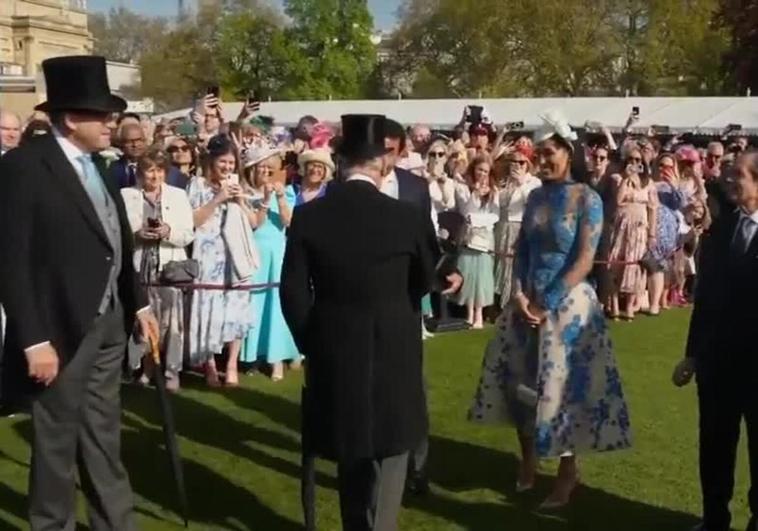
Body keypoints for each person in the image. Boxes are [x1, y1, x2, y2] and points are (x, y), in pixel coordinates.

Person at [0, 55, 158, 530]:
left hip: (109, 325)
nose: (114, 124)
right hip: (58, 331)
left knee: (103, 437)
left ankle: (115, 523)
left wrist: (140, 303)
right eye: (103, 115)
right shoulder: (25, 167)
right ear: (72, 118)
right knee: (55, 445)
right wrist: (32, 339)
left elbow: (116, 245)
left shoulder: (100, 167)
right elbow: (10, 259)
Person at [281, 114, 458, 531]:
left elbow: (292, 293)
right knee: (393, 447)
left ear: (340, 161)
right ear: (382, 162)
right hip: (394, 346)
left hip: (335, 349)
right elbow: (424, 280)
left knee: (351, 447)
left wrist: (314, 341)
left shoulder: (309, 216)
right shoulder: (406, 217)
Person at [469, 110, 631, 509]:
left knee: (563, 393)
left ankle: (566, 475)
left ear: (567, 151)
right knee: (519, 385)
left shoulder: (586, 198)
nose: (540, 160)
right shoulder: (537, 195)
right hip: (527, 301)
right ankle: (528, 462)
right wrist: (522, 294)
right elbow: (523, 247)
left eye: (547, 153)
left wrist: (547, 302)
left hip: (569, 307)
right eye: (536, 153)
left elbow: (583, 259)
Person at [673, 150, 758, 531]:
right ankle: (714, 519)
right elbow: (705, 299)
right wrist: (692, 355)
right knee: (714, 448)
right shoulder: (721, 230)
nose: (727, 178)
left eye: (737, 174)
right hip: (718, 364)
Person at [121, 147, 194, 392]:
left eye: (159, 171)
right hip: (139, 268)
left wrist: (168, 231)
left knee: (172, 324)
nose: (155, 176)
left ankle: (172, 372)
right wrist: (136, 234)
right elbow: (119, 234)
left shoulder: (178, 195)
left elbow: (187, 235)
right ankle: (146, 368)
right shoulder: (126, 195)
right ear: (141, 173)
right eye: (150, 171)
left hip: (169, 267)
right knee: (143, 323)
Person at [188, 135, 258, 388]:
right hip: (209, 254)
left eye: (231, 163)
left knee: (236, 310)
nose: (228, 167)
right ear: (212, 161)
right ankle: (209, 365)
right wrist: (217, 199)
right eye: (223, 162)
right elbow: (193, 222)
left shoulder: (241, 186)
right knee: (210, 310)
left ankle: (230, 366)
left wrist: (239, 200)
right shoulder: (197, 186)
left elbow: (253, 224)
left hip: (235, 257)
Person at [239, 147, 299, 382]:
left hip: (276, 253)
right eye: (261, 166)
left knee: (276, 305)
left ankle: (277, 360)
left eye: (270, 167)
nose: (266, 170)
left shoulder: (286, 192)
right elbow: (253, 225)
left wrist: (281, 197)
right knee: (252, 305)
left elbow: (289, 222)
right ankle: (253, 356)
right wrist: (263, 200)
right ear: (251, 169)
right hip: (253, 253)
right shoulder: (243, 194)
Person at [607, 146, 658, 321]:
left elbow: (653, 209)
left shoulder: (648, 182)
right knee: (616, 263)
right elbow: (618, 200)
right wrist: (626, 179)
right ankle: (613, 305)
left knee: (635, 266)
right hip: (622, 225)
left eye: (638, 160)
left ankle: (629, 307)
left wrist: (652, 233)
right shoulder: (617, 178)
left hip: (639, 227)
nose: (634, 163)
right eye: (631, 159)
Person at [454, 154, 499, 328]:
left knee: (482, 276)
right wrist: (475, 194)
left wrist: (480, 221)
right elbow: (465, 212)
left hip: (485, 239)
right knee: (468, 274)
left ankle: (479, 314)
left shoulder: (494, 192)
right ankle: (469, 313)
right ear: (473, 170)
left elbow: (495, 215)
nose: (482, 174)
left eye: (486, 171)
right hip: (468, 237)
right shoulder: (463, 188)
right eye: (480, 170)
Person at [493, 145, 541, 309]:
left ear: (528, 164)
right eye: (514, 162)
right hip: (502, 226)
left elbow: (533, 203)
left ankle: (514, 302)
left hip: (520, 227)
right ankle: (500, 302)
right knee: (501, 265)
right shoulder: (504, 181)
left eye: (522, 162)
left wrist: (521, 183)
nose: (517, 166)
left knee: (515, 267)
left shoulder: (533, 182)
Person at [647, 154, 685, 315]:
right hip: (649, 227)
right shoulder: (649, 183)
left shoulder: (674, 187)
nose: (664, 170)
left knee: (659, 266)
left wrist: (674, 185)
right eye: (662, 165)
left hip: (666, 232)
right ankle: (645, 301)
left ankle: (655, 303)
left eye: (669, 167)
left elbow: (681, 204)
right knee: (648, 265)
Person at [111, 123, 148, 188]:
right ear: (121, 144)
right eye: (129, 141)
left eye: (139, 140)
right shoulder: (112, 170)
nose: (135, 145)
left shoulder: (158, 165)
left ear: (145, 141)